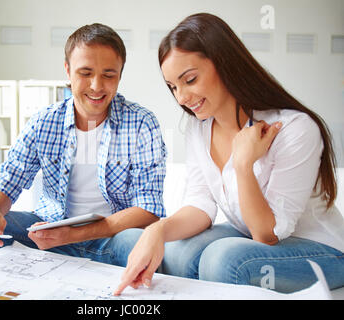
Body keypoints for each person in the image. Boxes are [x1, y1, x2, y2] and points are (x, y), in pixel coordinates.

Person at [114, 13, 344, 295]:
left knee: (222, 260)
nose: (182, 98)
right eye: (173, 87)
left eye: (190, 79)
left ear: (224, 63)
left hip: (321, 249)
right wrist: (157, 231)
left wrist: (244, 163)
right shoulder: (200, 128)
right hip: (250, 235)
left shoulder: (294, 129)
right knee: (176, 253)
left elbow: (266, 234)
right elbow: (200, 204)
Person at [0, 23, 167, 267]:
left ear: (120, 74)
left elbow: (148, 208)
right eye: (85, 73)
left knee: (143, 243)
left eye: (108, 75)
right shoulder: (44, 121)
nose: (97, 86)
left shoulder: (142, 122)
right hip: (45, 231)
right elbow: (7, 181)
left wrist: (74, 234)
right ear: (67, 71)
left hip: (111, 237)